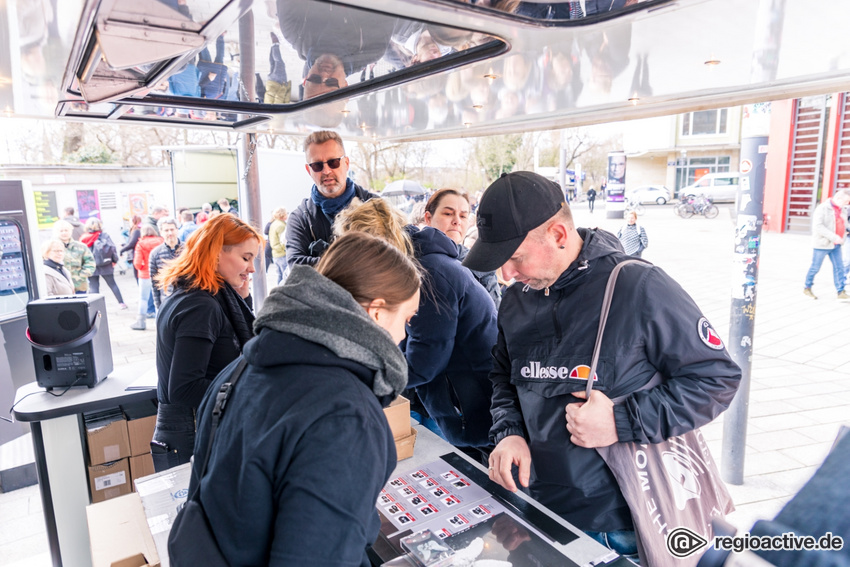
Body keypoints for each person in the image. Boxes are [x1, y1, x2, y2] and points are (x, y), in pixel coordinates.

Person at [461, 171, 741, 558]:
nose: (505, 274)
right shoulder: (516, 300)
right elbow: (504, 376)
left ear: (558, 236)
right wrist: (509, 431)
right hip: (540, 507)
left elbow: (717, 378)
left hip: (620, 523)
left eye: (515, 257)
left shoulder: (639, 286)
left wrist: (621, 421)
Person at [183, 232, 420, 565]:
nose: (404, 335)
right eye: (407, 319)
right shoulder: (347, 416)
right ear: (377, 313)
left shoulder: (238, 370)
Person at [335, 199, 497, 450]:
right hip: (464, 397)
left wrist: (369, 384)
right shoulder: (420, 265)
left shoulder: (428, 276)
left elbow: (426, 360)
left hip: (476, 406)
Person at [150, 214, 263, 472]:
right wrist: (252, 392)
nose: (252, 268)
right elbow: (185, 387)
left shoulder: (196, 294)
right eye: (246, 258)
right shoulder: (200, 306)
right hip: (193, 434)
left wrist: (243, 299)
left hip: (192, 430)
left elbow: (228, 341)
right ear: (214, 254)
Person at [285, 130, 378, 267]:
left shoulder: (376, 206)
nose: (326, 171)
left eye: (333, 162)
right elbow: (296, 266)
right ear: (308, 170)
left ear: (346, 163)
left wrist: (323, 262)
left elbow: (395, 255)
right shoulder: (300, 219)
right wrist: (355, 262)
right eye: (317, 165)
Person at [423, 188, 501, 308]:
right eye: (448, 214)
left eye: (463, 216)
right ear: (428, 218)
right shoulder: (411, 257)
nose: (457, 221)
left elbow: (494, 314)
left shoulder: (481, 264)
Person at [803, 189, 850, 300]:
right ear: (838, 198)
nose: (847, 204)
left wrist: (845, 231)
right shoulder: (822, 208)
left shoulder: (842, 209)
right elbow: (818, 227)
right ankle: (807, 288)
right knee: (815, 268)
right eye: (846, 201)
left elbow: (844, 223)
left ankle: (840, 292)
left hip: (836, 245)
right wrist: (835, 237)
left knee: (839, 268)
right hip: (822, 245)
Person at [80, 218, 127, 308]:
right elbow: (112, 248)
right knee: (112, 284)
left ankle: (95, 306)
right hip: (106, 264)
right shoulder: (104, 236)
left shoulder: (84, 238)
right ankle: (121, 303)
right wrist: (115, 260)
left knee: (93, 286)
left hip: (91, 265)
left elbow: (81, 253)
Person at [130, 226, 163, 330]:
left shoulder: (141, 244)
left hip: (145, 275)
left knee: (143, 299)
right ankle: (159, 322)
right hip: (160, 274)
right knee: (159, 298)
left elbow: (137, 263)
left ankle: (141, 323)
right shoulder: (161, 241)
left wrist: (143, 268)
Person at [52, 219, 95, 294]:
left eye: (66, 230)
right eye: (61, 231)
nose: (64, 233)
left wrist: (82, 276)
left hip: (79, 286)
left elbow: (90, 262)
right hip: (60, 287)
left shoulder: (81, 246)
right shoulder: (51, 247)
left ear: (71, 231)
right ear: (56, 232)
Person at [149, 218, 183, 311]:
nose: (170, 233)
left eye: (172, 229)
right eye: (166, 230)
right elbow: (155, 283)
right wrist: (158, 307)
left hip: (186, 299)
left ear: (177, 230)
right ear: (161, 232)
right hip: (167, 301)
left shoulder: (188, 250)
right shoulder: (155, 253)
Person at [268, 207, 289, 285]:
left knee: (280, 275)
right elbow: (283, 241)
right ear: (282, 214)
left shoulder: (274, 224)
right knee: (285, 277)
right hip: (282, 254)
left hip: (275, 254)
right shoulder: (281, 225)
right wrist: (286, 250)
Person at [120, 215, 143, 281]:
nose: (129, 223)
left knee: (138, 277)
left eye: (130, 221)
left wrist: (121, 250)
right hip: (137, 255)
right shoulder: (138, 229)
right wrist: (124, 245)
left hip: (137, 255)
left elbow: (132, 243)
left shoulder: (136, 230)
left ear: (134, 222)